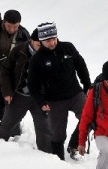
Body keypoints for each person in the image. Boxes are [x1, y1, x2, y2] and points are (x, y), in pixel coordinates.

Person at [27, 22, 91, 159]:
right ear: (41, 41)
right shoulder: (36, 59)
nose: (52, 43)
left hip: (75, 94)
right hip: (54, 100)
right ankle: (59, 162)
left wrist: (87, 85)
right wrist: (40, 101)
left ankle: (74, 144)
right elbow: (32, 84)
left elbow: (81, 66)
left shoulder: (68, 48)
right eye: (48, 40)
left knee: (90, 117)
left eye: (53, 39)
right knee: (57, 135)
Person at [0, 28, 52, 153]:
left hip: (40, 99)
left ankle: (47, 156)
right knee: (7, 124)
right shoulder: (19, 50)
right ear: (31, 41)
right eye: (38, 44)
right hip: (19, 95)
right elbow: (5, 70)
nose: (41, 47)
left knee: (45, 128)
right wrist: (7, 92)